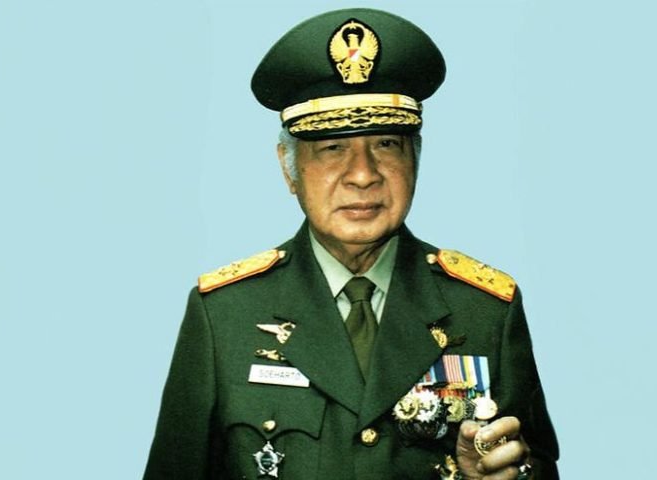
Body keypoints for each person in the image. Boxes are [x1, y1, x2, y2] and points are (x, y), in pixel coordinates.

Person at [144, 8, 558, 480]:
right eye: (332, 148)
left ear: (416, 159)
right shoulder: (224, 316)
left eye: (386, 144)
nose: (362, 175)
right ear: (289, 169)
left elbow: (535, 465)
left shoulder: (485, 313)